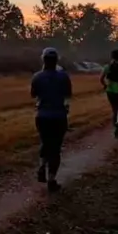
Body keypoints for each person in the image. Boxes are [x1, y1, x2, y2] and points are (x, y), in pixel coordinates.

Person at [31, 47, 71, 193]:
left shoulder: (37, 77)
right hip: (58, 116)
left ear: (43, 60)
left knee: (45, 142)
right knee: (55, 148)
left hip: (42, 116)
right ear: (56, 61)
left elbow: (33, 94)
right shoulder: (63, 76)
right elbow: (67, 95)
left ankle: (42, 165)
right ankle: (51, 180)